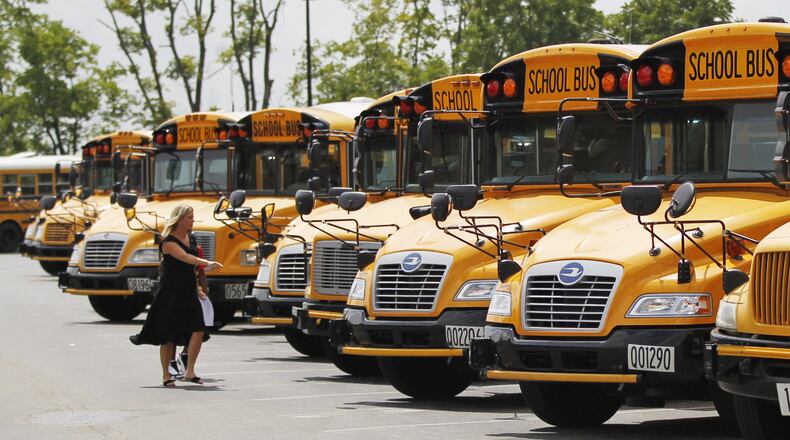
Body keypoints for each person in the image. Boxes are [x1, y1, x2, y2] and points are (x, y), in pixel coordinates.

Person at [129, 205, 223, 387]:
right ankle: (166, 375)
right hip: (171, 292)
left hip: (189, 290)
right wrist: (207, 262)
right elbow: (186, 258)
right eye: (189, 217)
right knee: (168, 335)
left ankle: (190, 370)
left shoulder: (191, 238)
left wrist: (197, 286)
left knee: (198, 329)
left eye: (192, 217)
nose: (192, 220)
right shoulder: (168, 242)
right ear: (179, 219)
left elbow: (192, 268)